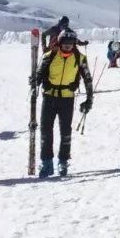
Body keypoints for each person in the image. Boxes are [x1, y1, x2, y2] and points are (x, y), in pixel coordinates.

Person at [36, 28, 93, 178]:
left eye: (71, 43)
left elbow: (88, 79)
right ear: (60, 43)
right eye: (65, 43)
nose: (68, 46)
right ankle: (47, 163)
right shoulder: (49, 56)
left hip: (67, 98)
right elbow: (40, 74)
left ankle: (63, 162)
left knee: (65, 131)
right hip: (49, 97)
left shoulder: (80, 58)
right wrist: (35, 81)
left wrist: (89, 99)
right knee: (46, 131)